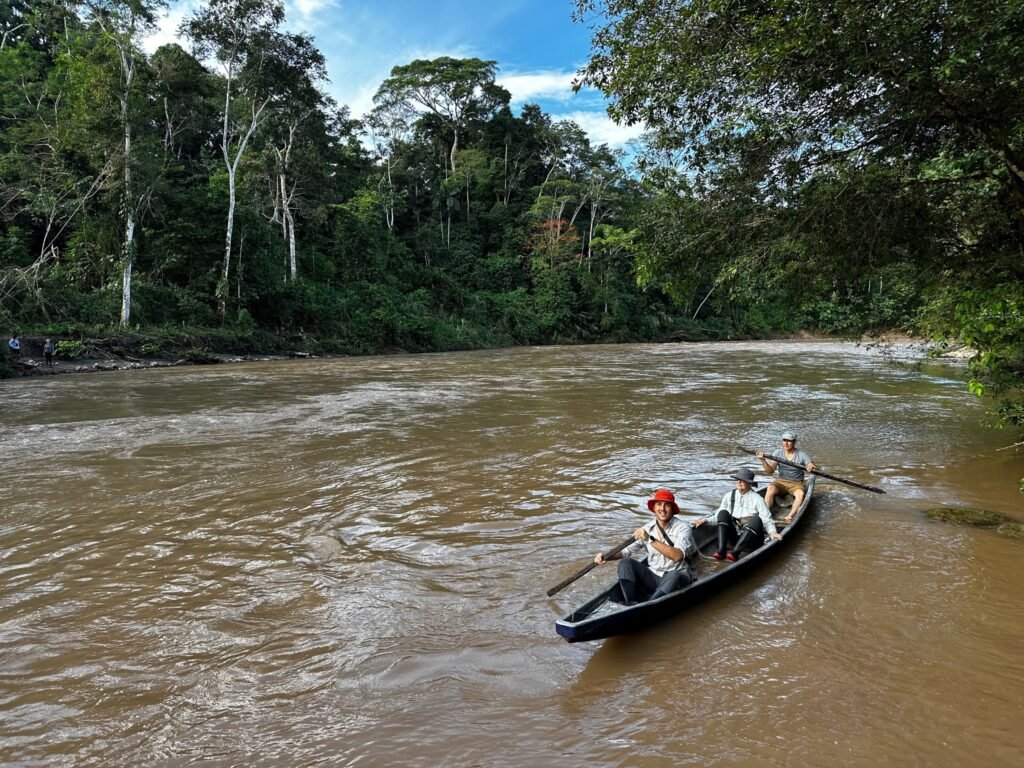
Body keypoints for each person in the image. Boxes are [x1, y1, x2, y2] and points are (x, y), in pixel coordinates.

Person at [593, 489, 697, 605]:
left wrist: (649, 539)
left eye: (667, 505)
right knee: (626, 562)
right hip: (654, 577)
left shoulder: (683, 528)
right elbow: (625, 552)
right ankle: (630, 603)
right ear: (654, 508)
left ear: (672, 509)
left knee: (674, 575)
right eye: (659, 504)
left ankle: (648, 606)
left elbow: (677, 556)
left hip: (677, 577)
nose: (662, 509)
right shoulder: (647, 529)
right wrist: (606, 556)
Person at [693, 468, 781, 561]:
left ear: (750, 483)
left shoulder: (757, 499)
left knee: (757, 519)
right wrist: (704, 520)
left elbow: (766, 518)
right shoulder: (729, 496)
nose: (739, 482)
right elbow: (718, 515)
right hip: (734, 538)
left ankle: (735, 554)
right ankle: (721, 551)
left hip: (751, 540)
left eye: (743, 481)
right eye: (738, 480)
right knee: (723, 513)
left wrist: (772, 532)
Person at [757, 431, 816, 523]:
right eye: (784, 440)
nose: (786, 443)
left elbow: (811, 464)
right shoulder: (778, 453)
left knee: (800, 494)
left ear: (794, 442)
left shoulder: (801, 454)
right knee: (770, 488)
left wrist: (810, 466)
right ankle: (765, 513)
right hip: (781, 481)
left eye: (789, 441)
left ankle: (790, 515)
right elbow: (770, 471)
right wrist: (763, 461)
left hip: (796, 483)